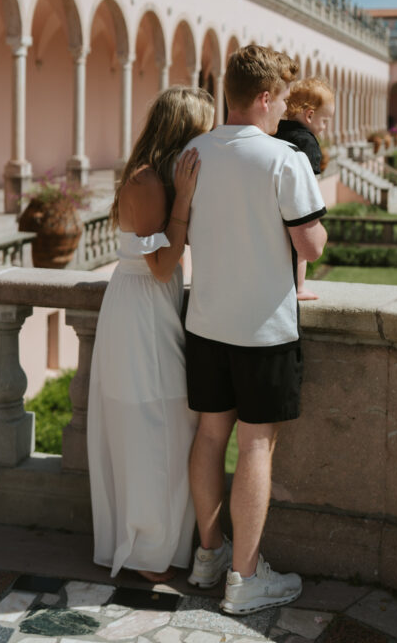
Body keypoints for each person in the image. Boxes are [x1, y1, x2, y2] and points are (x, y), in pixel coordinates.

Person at [183, 45, 328, 614]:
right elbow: (311, 243)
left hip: (205, 323)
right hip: (263, 329)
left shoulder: (193, 151)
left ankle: (208, 555)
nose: (284, 113)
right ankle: (244, 579)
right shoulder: (283, 158)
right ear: (264, 97)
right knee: (258, 445)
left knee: (209, 436)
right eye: (283, 101)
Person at [88, 86, 214, 583]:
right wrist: (184, 199)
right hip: (142, 309)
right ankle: (146, 552)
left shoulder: (155, 176)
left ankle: (162, 545)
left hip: (153, 308)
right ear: (182, 131)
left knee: (170, 423)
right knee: (152, 427)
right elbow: (162, 267)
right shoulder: (146, 182)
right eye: (203, 131)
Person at [275, 77, 335, 301]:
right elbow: (308, 187)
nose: (325, 127)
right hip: (293, 205)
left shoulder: (276, 129)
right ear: (309, 115)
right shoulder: (307, 142)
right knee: (299, 249)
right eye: (325, 120)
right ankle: (299, 287)